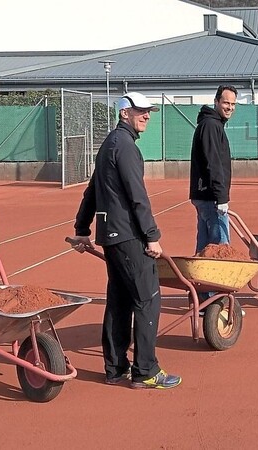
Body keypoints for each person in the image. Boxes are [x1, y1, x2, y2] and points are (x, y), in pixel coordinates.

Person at [70, 92, 181, 390]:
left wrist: (82, 228)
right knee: (147, 299)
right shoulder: (127, 148)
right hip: (130, 236)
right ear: (124, 114)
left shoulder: (109, 145)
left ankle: (115, 368)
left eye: (148, 111)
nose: (146, 115)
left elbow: (92, 191)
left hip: (112, 237)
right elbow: (137, 195)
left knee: (119, 302)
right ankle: (145, 370)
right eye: (141, 111)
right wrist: (152, 236)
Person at [189, 85, 237, 255]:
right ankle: (218, 280)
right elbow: (213, 163)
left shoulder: (212, 124)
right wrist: (221, 197)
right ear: (216, 102)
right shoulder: (211, 125)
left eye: (233, 104)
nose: (230, 107)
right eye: (226, 103)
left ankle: (199, 279)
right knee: (220, 248)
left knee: (205, 247)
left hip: (206, 195)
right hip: (211, 198)